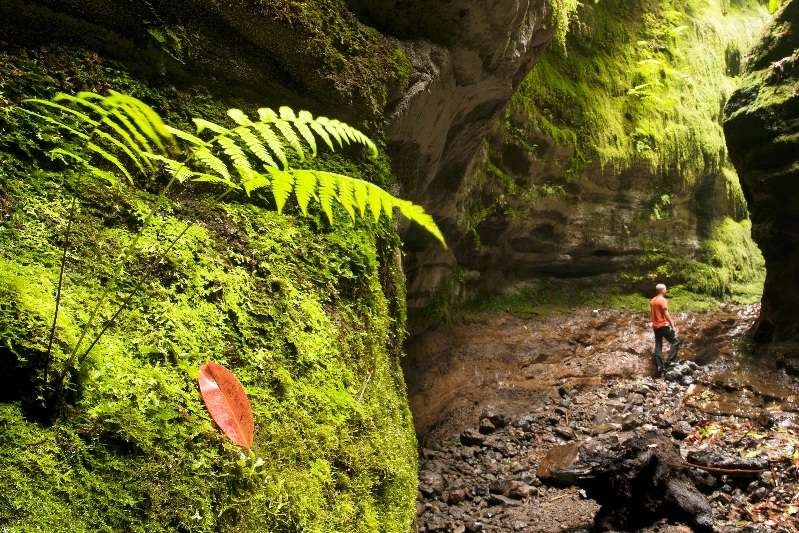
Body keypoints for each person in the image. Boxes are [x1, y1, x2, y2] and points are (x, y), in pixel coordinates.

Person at [649, 283, 679, 376]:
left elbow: (652, 313)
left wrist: (653, 322)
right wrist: (672, 325)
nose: (666, 290)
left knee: (658, 345)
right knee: (675, 342)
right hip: (663, 325)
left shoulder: (652, 300)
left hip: (655, 326)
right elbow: (666, 313)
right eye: (665, 289)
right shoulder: (662, 300)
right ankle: (670, 362)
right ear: (662, 290)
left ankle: (660, 366)